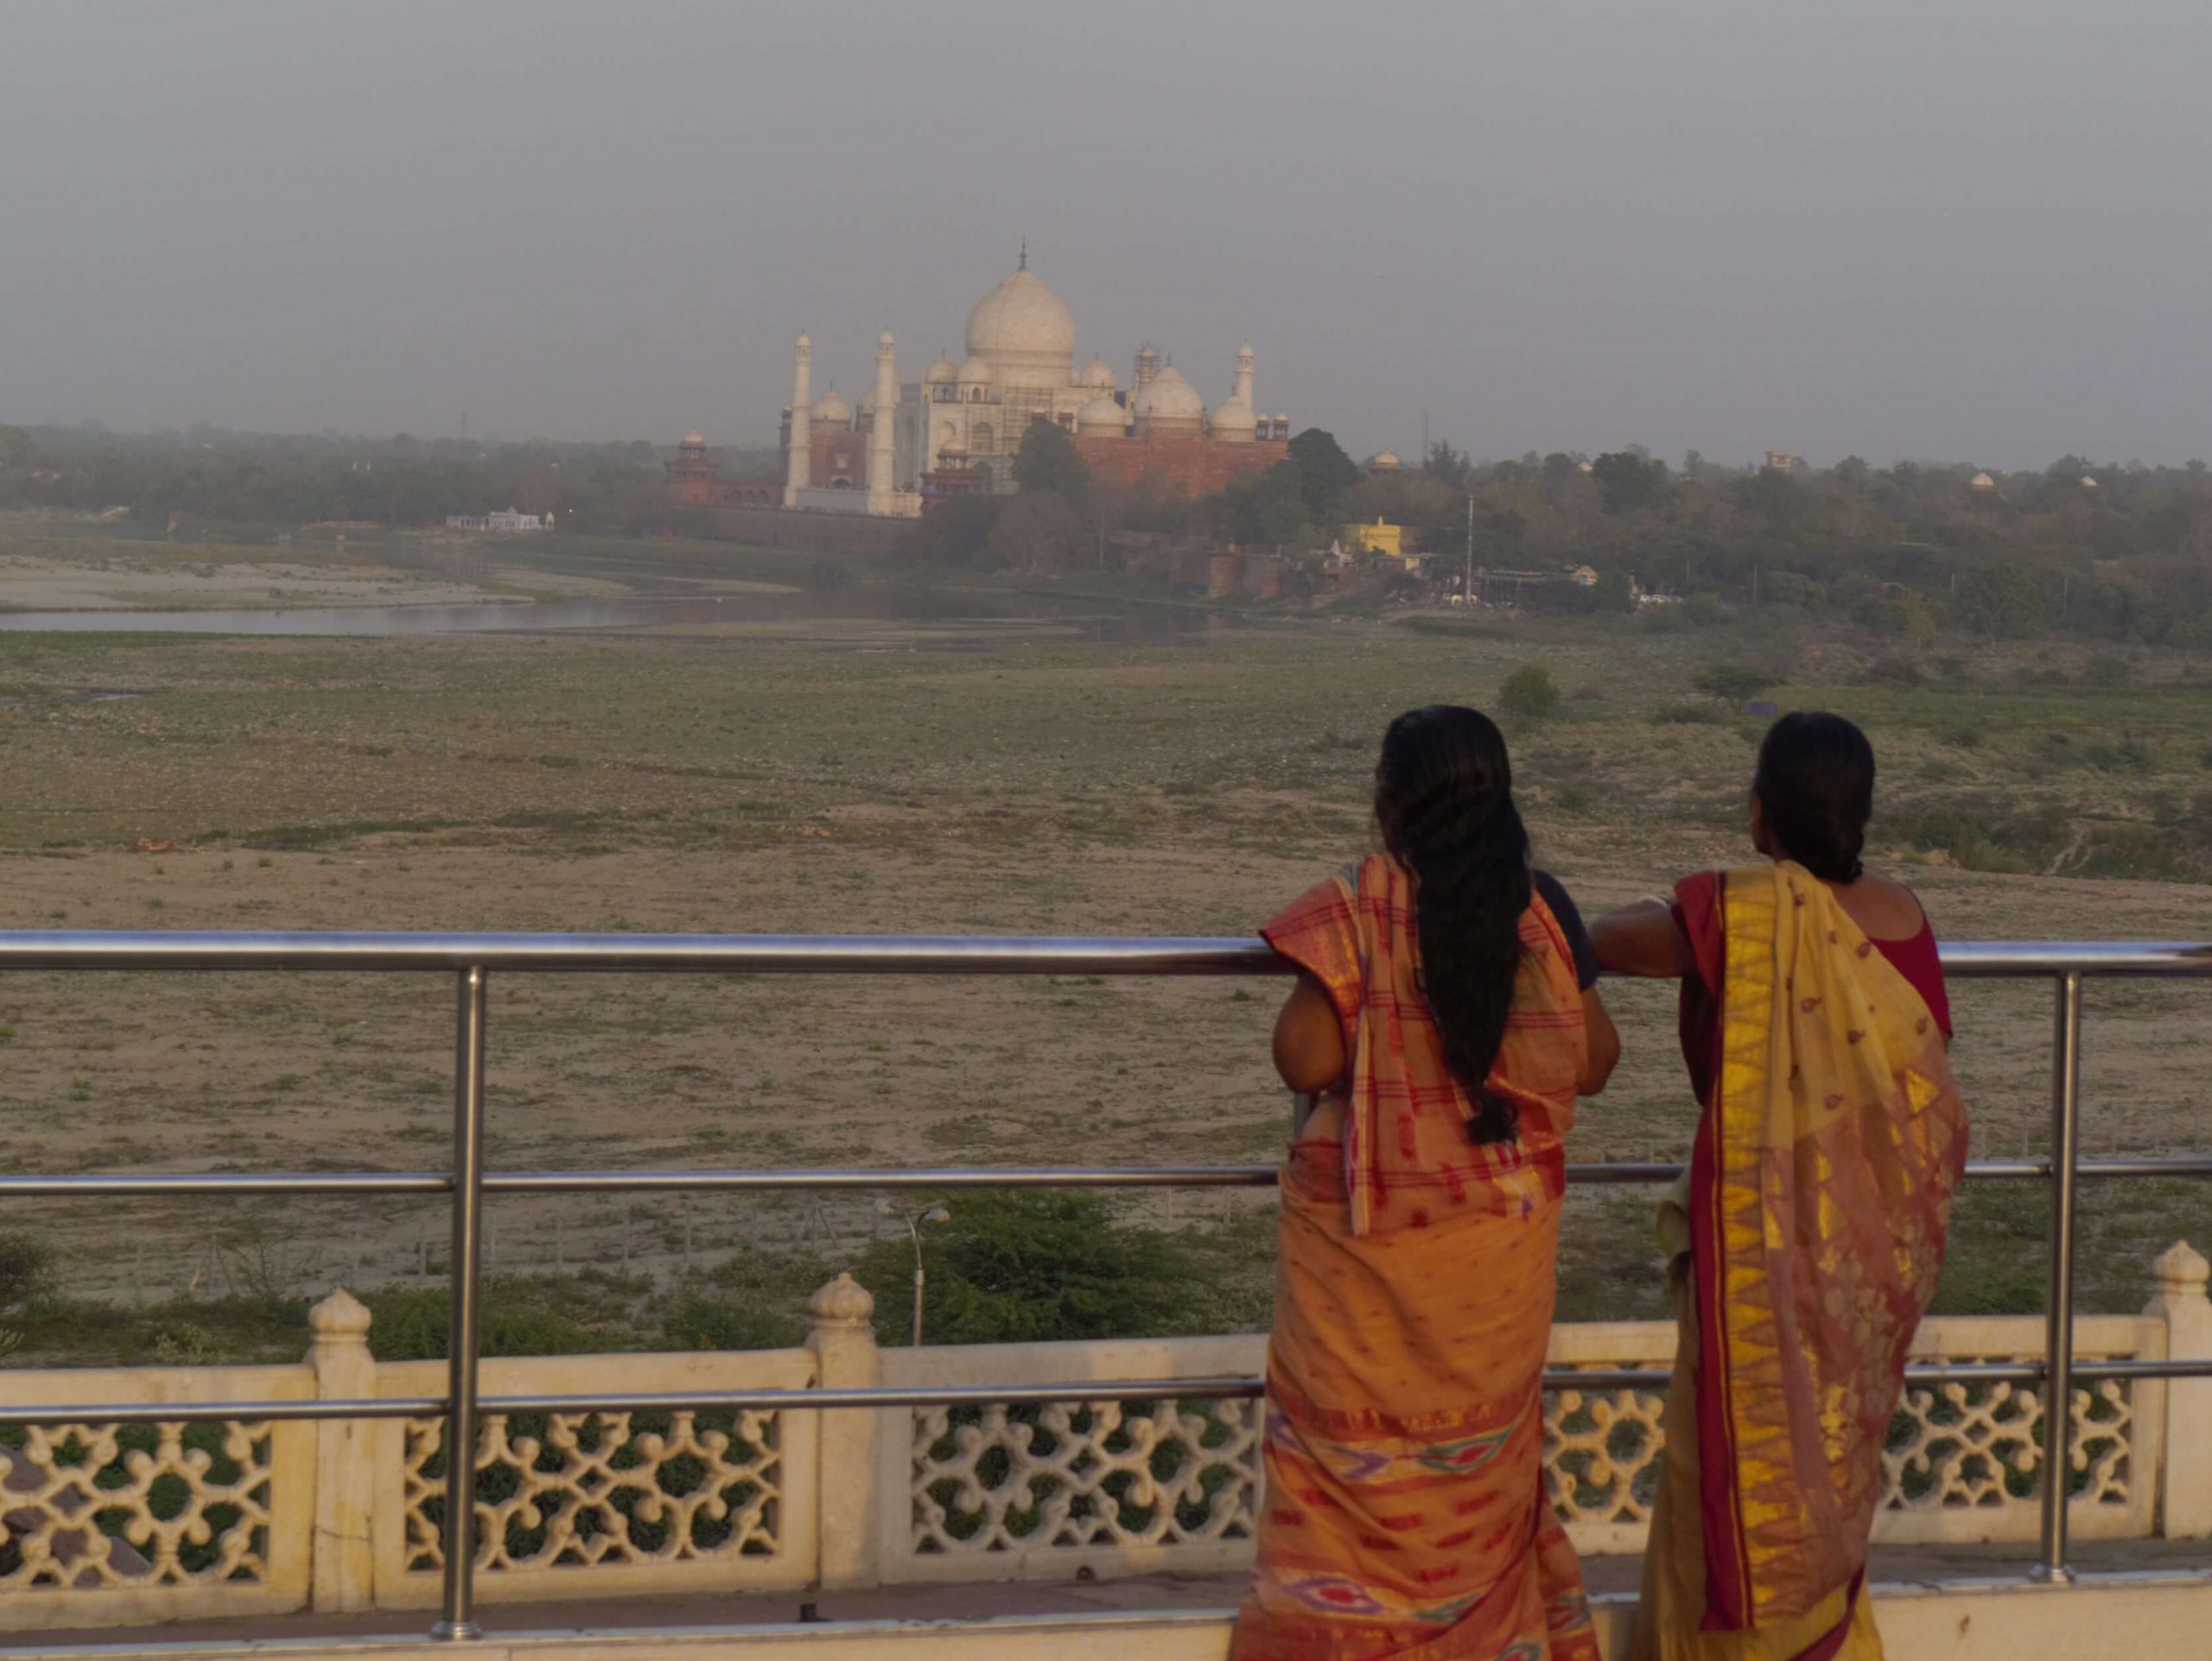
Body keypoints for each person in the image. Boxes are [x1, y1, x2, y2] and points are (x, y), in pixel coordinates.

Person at [1230, 704, 1619, 1661]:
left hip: (1371, 1267)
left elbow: (1301, 1054)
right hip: (1496, 1271)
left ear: (1388, 802)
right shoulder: (1543, 908)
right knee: (1481, 1464)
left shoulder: (1359, 903)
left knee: (1343, 1468)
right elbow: (1597, 1058)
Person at [1590, 712, 1969, 1661]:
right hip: (1870, 1259)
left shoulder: (1747, 913)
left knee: (1733, 1468)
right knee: (1827, 1466)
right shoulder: (1906, 912)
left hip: (1768, 1257)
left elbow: (1599, 943)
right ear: (1862, 812)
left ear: (1758, 811)